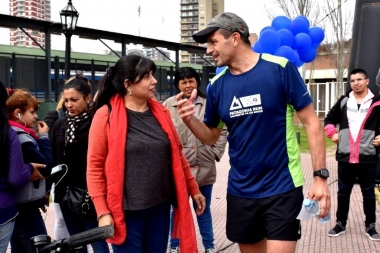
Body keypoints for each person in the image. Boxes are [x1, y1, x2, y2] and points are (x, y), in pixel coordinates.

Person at [176, 12, 330, 253]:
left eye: (213, 42)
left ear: (235, 38)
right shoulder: (216, 86)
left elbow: (312, 123)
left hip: (283, 186)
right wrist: (189, 120)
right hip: (241, 190)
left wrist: (320, 177)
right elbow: (211, 136)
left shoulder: (280, 69)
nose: (208, 50)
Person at [86, 55, 206, 253]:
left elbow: (177, 155)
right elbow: (95, 167)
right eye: (147, 76)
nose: (154, 81)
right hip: (126, 212)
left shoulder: (161, 112)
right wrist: (102, 212)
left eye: (153, 75)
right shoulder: (106, 115)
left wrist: (193, 188)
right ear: (128, 84)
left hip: (159, 208)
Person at [163, 67, 227, 253]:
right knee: (177, 209)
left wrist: (214, 151)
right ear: (177, 84)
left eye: (191, 81)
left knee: (203, 209)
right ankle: (174, 246)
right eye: (183, 82)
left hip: (204, 165)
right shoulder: (168, 104)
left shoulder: (209, 102)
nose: (188, 85)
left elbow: (222, 129)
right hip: (179, 168)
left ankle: (209, 246)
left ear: (197, 82)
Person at [50, 75, 109, 253]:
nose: (69, 105)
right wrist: (49, 189)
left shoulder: (96, 123)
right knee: (74, 242)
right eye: (66, 100)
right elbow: (54, 158)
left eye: (74, 100)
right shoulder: (60, 125)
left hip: (90, 192)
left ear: (88, 98)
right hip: (64, 192)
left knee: (97, 240)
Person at [325, 68, 380, 240]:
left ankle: (370, 226)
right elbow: (328, 119)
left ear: (367, 81)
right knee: (343, 192)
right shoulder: (344, 101)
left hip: (368, 157)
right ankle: (340, 223)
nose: (356, 83)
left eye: (359, 79)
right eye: (352, 80)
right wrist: (332, 133)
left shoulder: (377, 102)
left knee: (368, 193)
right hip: (345, 157)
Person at [0, 81, 46, 253]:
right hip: (7, 208)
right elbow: (17, 176)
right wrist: (45, 139)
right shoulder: (12, 134)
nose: (36, 117)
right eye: (33, 112)